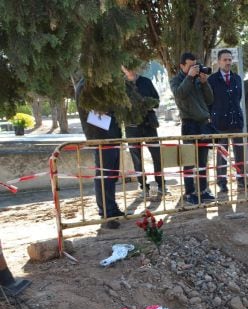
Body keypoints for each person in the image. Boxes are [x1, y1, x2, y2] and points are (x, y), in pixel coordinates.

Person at [75, 78, 124, 228]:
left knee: (111, 175)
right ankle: (106, 212)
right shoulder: (86, 85)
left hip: (112, 134)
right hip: (100, 135)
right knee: (104, 175)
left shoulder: (102, 82)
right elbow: (100, 108)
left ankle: (112, 207)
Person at [170, 52, 216, 205]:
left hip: (203, 124)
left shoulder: (197, 79)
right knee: (189, 162)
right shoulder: (176, 80)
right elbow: (179, 94)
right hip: (189, 124)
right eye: (190, 66)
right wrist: (189, 77)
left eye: (195, 65)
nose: (194, 68)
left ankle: (203, 190)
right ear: (182, 66)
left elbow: (210, 99)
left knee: (202, 161)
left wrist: (204, 83)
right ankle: (190, 193)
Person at [122, 66, 163, 195]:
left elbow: (156, 101)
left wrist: (145, 103)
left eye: (132, 66)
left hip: (149, 125)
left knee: (157, 155)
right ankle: (143, 185)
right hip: (132, 127)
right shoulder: (121, 85)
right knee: (137, 158)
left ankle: (161, 184)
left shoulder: (146, 81)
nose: (130, 69)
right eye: (126, 67)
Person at [208, 49, 245, 192]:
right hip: (220, 123)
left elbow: (238, 98)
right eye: (225, 60)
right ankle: (221, 181)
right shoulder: (212, 79)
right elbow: (210, 101)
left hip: (236, 121)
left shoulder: (236, 78)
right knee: (222, 154)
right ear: (219, 61)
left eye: (230, 60)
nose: (228, 62)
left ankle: (241, 179)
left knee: (240, 152)